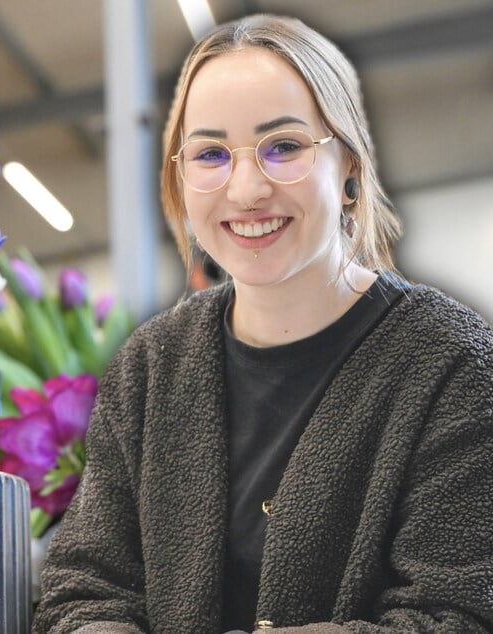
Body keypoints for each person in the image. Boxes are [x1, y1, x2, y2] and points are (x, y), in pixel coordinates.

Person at [33, 13, 493, 633]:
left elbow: (455, 614)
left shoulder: (453, 365)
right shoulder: (149, 367)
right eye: (212, 154)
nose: (247, 188)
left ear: (350, 168)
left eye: (284, 147)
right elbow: (82, 592)